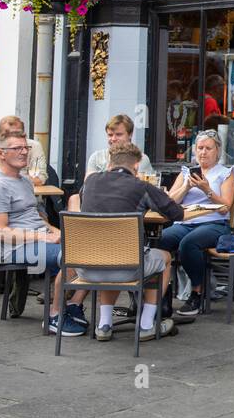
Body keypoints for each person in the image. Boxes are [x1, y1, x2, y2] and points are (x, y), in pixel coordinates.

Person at [68, 143, 182, 341]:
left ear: (109, 163)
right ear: (136, 166)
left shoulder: (90, 183)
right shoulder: (141, 186)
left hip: (85, 268)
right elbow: (176, 213)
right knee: (163, 259)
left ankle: (104, 325)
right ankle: (146, 324)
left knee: (110, 253)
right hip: (127, 268)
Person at [0, 132, 79, 335]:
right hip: (14, 248)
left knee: (93, 251)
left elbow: (35, 218)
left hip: (36, 240)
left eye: (26, 148)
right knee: (75, 257)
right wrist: (43, 236)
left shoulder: (24, 180)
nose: (24, 152)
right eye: (17, 148)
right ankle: (55, 316)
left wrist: (60, 232)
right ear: (0, 153)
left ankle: (73, 306)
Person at [159, 129, 234, 321]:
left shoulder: (226, 174)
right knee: (160, 240)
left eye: (208, 148)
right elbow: (170, 202)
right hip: (186, 222)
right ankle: (161, 293)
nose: (203, 152)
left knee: (189, 243)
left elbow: (225, 207)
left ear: (217, 151)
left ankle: (197, 292)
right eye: (200, 148)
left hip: (215, 224)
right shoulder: (186, 172)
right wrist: (186, 186)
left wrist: (206, 189)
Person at [84, 113, 154, 178]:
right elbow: (88, 183)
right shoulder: (96, 157)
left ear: (130, 135)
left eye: (118, 134)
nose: (113, 139)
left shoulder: (140, 159)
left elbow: (140, 185)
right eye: (110, 135)